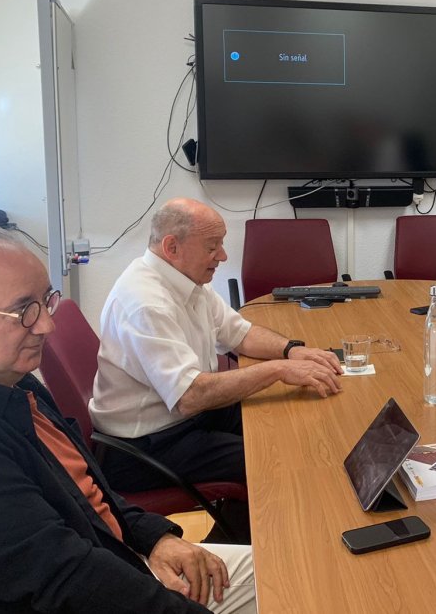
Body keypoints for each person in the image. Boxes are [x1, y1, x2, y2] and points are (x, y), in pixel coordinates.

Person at [0, 224, 256, 612]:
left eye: (46, 301)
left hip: (111, 565)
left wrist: (156, 539)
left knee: (286, 568)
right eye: (23, 311)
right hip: (78, 591)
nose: (47, 325)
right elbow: (63, 579)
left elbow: (86, 494)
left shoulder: (10, 382)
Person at [90, 198, 342, 492]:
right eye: (212, 247)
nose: (222, 256)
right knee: (278, 457)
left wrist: (292, 350)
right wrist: (277, 370)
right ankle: (259, 533)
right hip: (146, 446)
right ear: (172, 247)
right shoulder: (146, 303)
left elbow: (240, 334)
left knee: (291, 420)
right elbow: (190, 397)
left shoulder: (185, 279)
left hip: (183, 416)